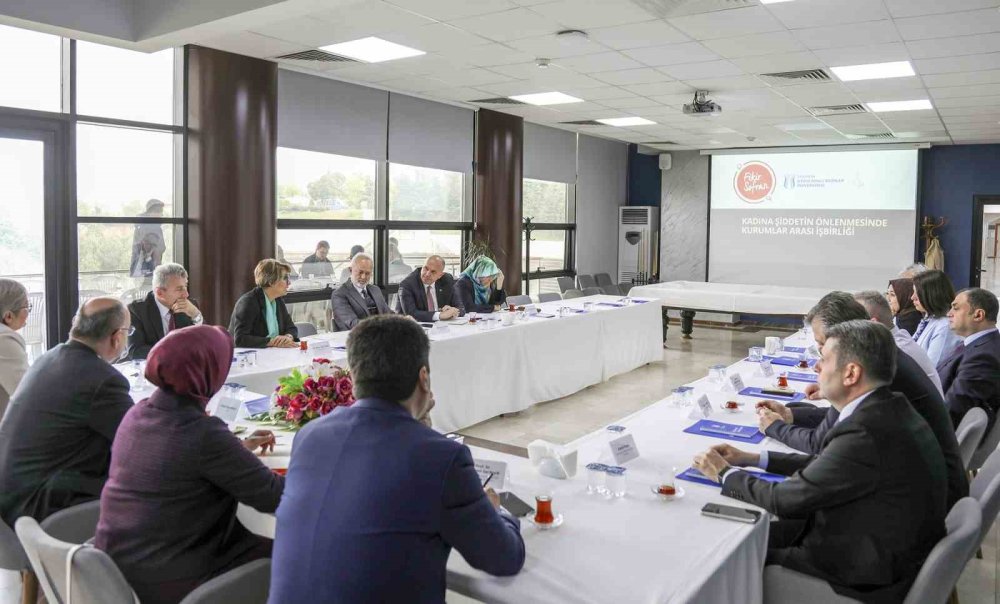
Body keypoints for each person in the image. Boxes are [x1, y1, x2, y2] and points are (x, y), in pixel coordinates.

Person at [269, 315, 525, 602]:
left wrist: (417, 427)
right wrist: (497, 512)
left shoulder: (310, 436)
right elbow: (504, 558)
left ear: (352, 377)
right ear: (424, 377)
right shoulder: (441, 457)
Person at [694, 320, 947, 602]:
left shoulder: (866, 431)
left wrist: (725, 473)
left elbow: (785, 499)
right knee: (750, 531)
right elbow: (830, 466)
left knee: (723, 554)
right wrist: (754, 458)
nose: (816, 367)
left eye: (824, 359)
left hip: (860, 574)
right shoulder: (889, 406)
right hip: (881, 544)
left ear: (851, 373)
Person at [95, 326, 282, 604]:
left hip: (118, 567)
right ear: (207, 371)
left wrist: (236, 449)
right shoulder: (202, 433)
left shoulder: (138, 413)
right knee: (301, 554)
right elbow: (273, 496)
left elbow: (177, 463)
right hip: (175, 576)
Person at [757, 291, 967, 508]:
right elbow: (847, 417)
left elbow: (820, 443)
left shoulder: (873, 365)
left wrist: (775, 427)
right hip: (923, 481)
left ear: (842, 336)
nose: (818, 362)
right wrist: (792, 415)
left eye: (823, 348)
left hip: (921, 500)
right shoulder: (880, 352)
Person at [0, 298, 133, 525]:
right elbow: (140, 437)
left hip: (12, 495)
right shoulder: (102, 380)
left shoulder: (49, 358)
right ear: (117, 336)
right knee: (151, 480)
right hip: (40, 505)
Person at [854, 290, 943, 395]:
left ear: (873, 324)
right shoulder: (898, 339)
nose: (849, 329)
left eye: (854, 322)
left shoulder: (894, 351)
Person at [937, 288, 1000, 429]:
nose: (948, 314)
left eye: (955, 308)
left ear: (978, 315)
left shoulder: (984, 357)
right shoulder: (976, 345)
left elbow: (954, 408)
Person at [127, 263, 203, 360]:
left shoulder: (189, 306)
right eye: (179, 289)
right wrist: (176, 352)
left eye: (185, 287)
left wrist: (196, 315)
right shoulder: (136, 310)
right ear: (160, 293)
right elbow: (136, 352)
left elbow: (204, 342)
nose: (186, 294)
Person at [229, 259, 299, 348]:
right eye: (285, 278)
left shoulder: (278, 300)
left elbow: (291, 328)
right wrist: (272, 342)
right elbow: (240, 339)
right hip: (247, 358)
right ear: (271, 282)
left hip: (272, 354)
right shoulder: (248, 302)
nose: (289, 283)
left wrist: (288, 337)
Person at [911, 269, 963, 366]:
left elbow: (933, 366)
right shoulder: (930, 319)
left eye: (916, 292)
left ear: (931, 294)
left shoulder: (945, 326)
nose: (912, 297)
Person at [331, 252, 389, 331]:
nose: (363, 277)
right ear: (351, 270)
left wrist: (404, 320)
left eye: (367, 273)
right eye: (360, 272)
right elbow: (353, 324)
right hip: (357, 339)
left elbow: (388, 314)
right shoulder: (339, 295)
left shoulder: (375, 290)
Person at [397, 255, 461, 322]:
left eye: (433, 272)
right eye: (426, 268)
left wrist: (452, 310)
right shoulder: (408, 284)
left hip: (441, 327)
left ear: (440, 275)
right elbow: (411, 313)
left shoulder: (447, 279)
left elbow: (461, 308)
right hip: (412, 328)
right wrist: (439, 315)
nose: (427, 274)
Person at [0, 279, 29, 418]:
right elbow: (26, 392)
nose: (28, 313)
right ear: (8, 316)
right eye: (27, 308)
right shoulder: (4, 339)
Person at [130, 199, 166, 279]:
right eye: (158, 211)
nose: (161, 214)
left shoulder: (156, 226)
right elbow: (142, 245)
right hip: (145, 267)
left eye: (161, 211)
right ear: (151, 212)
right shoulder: (144, 226)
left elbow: (161, 247)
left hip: (152, 265)